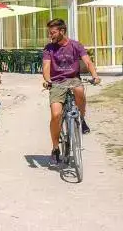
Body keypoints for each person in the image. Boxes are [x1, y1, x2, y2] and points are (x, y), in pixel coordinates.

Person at [42, 18, 101, 164]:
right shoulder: (49, 48)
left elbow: (87, 61)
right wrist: (47, 80)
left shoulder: (76, 45)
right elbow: (46, 67)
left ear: (62, 31)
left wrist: (95, 76)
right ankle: (56, 148)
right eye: (50, 33)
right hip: (56, 82)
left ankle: (81, 118)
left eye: (53, 33)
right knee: (56, 115)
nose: (51, 35)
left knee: (79, 89)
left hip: (73, 78)